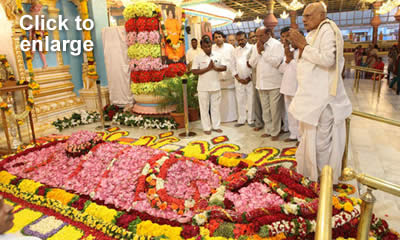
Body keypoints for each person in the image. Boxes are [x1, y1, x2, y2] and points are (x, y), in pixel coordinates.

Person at [287, 2, 352, 184]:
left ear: (322, 15)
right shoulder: (314, 32)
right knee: (308, 139)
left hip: (323, 100)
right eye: (304, 16)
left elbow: (328, 60)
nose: (304, 19)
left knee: (321, 144)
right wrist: (302, 45)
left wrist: (303, 45)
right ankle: (311, 175)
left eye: (309, 16)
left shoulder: (327, 30)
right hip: (312, 97)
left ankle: (324, 181)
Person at [249, 27, 284, 141]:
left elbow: (276, 62)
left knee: (275, 110)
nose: (258, 39)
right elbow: (252, 63)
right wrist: (258, 53)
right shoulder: (256, 46)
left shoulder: (277, 45)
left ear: (268, 34)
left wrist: (263, 52)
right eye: (257, 36)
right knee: (265, 110)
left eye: (260, 36)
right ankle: (268, 130)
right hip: (261, 83)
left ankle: (275, 132)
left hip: (274, 83)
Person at [192, 36, 227, 135]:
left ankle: (216, 126)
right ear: (201, 47)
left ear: (211, 45)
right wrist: (208, 68)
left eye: (209, 46)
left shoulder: (218, 55)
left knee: (215, 108)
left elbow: (224, 67)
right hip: (203, 87)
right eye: (205, 47)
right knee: (204, 108)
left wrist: (215, 68)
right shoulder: (198, 57)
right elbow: (194, 71)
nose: (207, 48)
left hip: (215, 85)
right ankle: (206, 127)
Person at [279, 27, 300, 142]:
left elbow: (301, 69)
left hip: (298, 87)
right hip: (287, 86)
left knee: (299, 113)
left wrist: (291, 59)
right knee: (290, 112)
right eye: (284, 37)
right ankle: (293, 134)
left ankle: (301, 137)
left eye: (288, 36)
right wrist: (287, 59)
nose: (286, 39)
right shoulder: (288, 51)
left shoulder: (302, 51)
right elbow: (281, 70)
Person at [212, 31, 238, 123]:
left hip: (229, 77)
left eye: (219, 36)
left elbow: (234, 61)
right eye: (216, 37)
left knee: (231, 99)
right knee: (219, 100)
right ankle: (220, 119)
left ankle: (233, 117)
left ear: (223, 38)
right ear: (214, 39)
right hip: (217, 78)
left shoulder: (230, 47)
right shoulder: (212, 49)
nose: (218, 38)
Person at [231, 31, 255, 127]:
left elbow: (254, 64)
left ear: (246, 38)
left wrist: (250, 77)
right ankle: (241, 119)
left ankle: (251, 120)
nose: (240, 42)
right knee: (240, 100)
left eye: (242, 39)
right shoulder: (235, 51)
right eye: (238, 40)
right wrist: (237, 77)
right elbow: (232, 65)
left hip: (250, 79)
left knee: (251, 100)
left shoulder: (252, 48)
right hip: (239, 80)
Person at [248, 30, 264, 131]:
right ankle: (259, 123)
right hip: (256, 77)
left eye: (256, 36)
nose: (254, 38)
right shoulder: (252, 49)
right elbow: (249, 63)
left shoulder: (271, 45)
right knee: (257, 102)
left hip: (269, 79)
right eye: (253, 37)